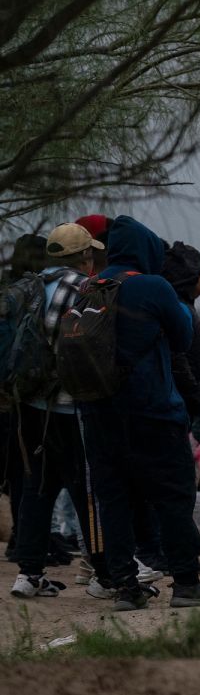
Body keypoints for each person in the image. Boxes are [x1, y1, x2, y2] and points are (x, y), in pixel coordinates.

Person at [78, 215, 200, 610]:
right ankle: (186, 583)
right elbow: (183, 336)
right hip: (154, 413)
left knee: (114, 503)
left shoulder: (88, 289)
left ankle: (127, 589)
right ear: (146, 249)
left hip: (98, 416)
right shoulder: (152, 286)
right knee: (173, 498)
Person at [8, 224, 112, 599]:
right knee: (86, 490)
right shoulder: (83, 289)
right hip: (71, 409)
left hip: (32, 405)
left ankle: (29, 573)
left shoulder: (28, 287)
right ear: (84, 256)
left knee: (36, 487)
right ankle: (103, 574)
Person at [1, 233, 47, 563]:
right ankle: (23, 537)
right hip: (19, 390)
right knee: (24, 467)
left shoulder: (7, 289)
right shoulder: (30, 292)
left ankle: (22, 536)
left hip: (8, 390)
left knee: (17, 467)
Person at [162, 242, 200, 420]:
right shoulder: (181, 310)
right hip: (184, 406)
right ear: (187, 277)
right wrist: (195, 396)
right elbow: (178, 359)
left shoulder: (183, 306)